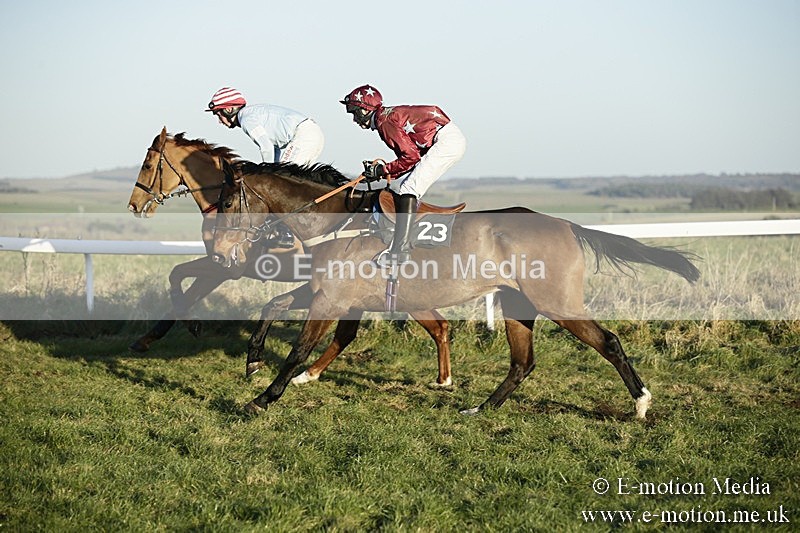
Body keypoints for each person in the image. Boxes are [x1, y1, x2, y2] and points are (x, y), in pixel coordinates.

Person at [340, 84, 466, 266]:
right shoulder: (385, 118)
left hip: (445, 141)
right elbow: (409, 159)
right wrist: (382, 173)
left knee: (409, 188)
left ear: (365, 109)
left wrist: (382, 171)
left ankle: (400, 251)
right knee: (405, 187)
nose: (354, 119)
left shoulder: (384, 122)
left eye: (354, 112)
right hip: (446, 138)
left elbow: (411, 157)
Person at [206, 87, 325, 247]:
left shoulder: (246, 119)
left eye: (218, 114)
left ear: (228, 109)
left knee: (281, 183)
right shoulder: (250, 115)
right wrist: (272, 170)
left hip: (303, 135)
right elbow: (274, 148)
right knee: (288, 181)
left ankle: (286, 232)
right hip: (309, 133)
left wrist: (266, 175)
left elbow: (266, 147)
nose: (219, 120)